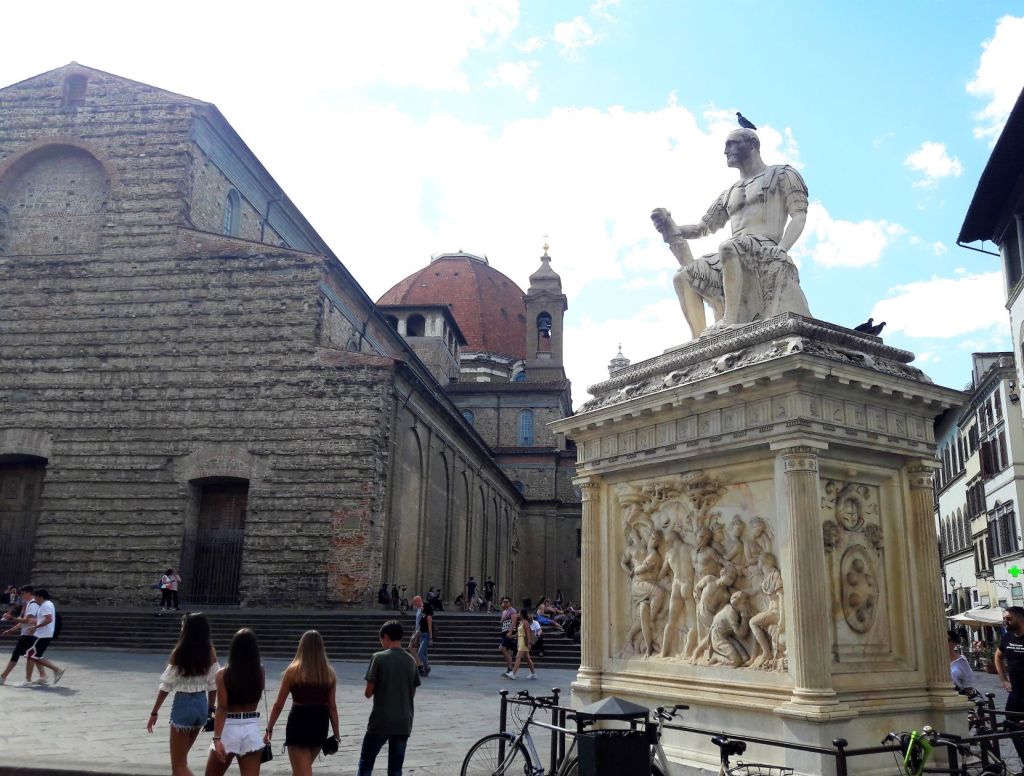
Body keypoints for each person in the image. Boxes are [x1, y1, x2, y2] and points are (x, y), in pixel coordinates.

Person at [652, 128, 811, 339]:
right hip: (733, 253)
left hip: (764, 247)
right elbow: (702, 228)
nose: (726, 151)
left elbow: (798, 216)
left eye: (733, 144)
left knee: (728, 246)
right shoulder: (729, 193)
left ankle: (731, 320)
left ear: (753, 144)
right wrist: (670, 227)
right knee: (683, 275)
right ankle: (699, 340)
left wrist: (781, 249)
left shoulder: (782, 174)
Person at [147, 613, 219, 776]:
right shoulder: (210, 652)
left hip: (183, 705)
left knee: (178, 766)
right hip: (202, 704)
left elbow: (166, 685)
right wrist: (211, 709)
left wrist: (154, 712)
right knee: (181, 762)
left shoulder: (179, 652)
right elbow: (213, 684)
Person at [264, 630, 339, 776]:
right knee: (302, 771)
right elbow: (332, 707)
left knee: (301, 772)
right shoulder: (328, 673)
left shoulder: (293, 671)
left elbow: (278, 704)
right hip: (319, 724)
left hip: (298, 723)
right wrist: (336, 735)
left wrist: (269, 729)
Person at [356, 620, 420, 776]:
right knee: (396, 769)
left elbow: (368, 692)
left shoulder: (378, 658)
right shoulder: (411, 660)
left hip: (381, 721)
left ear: (385, 637)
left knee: (366, 763)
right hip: (403, 721)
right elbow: (412, 692)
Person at [206, 628, 265, 776]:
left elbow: (223, 707)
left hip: (229, 728)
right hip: (251, 727)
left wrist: (217, 738)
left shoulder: (223, 674)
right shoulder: (260, 671)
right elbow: (257, 697)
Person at [995, 606, 1024, 761]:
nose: (1004, 621)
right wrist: (1004, 680)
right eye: (1004, 618)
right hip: (1016, 695)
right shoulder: (1008, 637)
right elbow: (998, 656)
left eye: (1008, 618)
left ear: (1019, 619)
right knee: (1010, 726)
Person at [0, 585, 39, 685]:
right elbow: (23, 622)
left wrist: (10, 618)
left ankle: (3, 677)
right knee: (32, 656)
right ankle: (42, 675)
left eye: (23, 593)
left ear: (29, 593)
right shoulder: (29, 604)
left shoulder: (33, 604)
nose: (21, 596)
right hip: (28, 633)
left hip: (28, 634)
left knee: (17, 654)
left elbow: (26, 621)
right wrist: (10, 630)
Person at [26, 588, 64, 685]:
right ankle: (43, 676)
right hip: (44, 633)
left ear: (40, 597)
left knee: (32, 655)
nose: (34, 599)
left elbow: (49, 619)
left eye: (35, 597)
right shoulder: (48, 604)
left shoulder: (45, 605)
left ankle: (56, 669)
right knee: (35, 655)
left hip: (43, 634)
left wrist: (35, 627)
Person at [509, 609, 537, 680]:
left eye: (519, 613)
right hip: (520, 641)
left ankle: (513, 673)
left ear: (522, 614)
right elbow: (518, 633)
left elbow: (528, 634)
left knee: (518, 657)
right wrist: (511, 636)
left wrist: (529, 643)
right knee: (527, 658)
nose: (518, 614)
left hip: (524, 642)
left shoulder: (525, 622)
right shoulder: (521, 622)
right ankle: (533, 674)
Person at [499, 597, 518, 678]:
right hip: (504, 632)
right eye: (504, 602)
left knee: (502, 648)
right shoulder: (504, 612)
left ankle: (510, 667)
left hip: (509, 632)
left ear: (510, 603)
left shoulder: (512, 611)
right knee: (508, 651)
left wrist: (510, 632)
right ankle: (509, 669)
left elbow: (514, 622)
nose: (505, 603)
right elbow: (501, 622)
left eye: (507, 602)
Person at [416, 595, 433, 677]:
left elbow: (430, 628)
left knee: (420, 653)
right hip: (422, 635)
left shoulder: (429, 617)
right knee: (424, 653)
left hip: (426, 636)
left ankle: (427, 667)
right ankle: (426, 669)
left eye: (423, 606)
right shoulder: (423, 616)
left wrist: (430, 638)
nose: (422, 607)